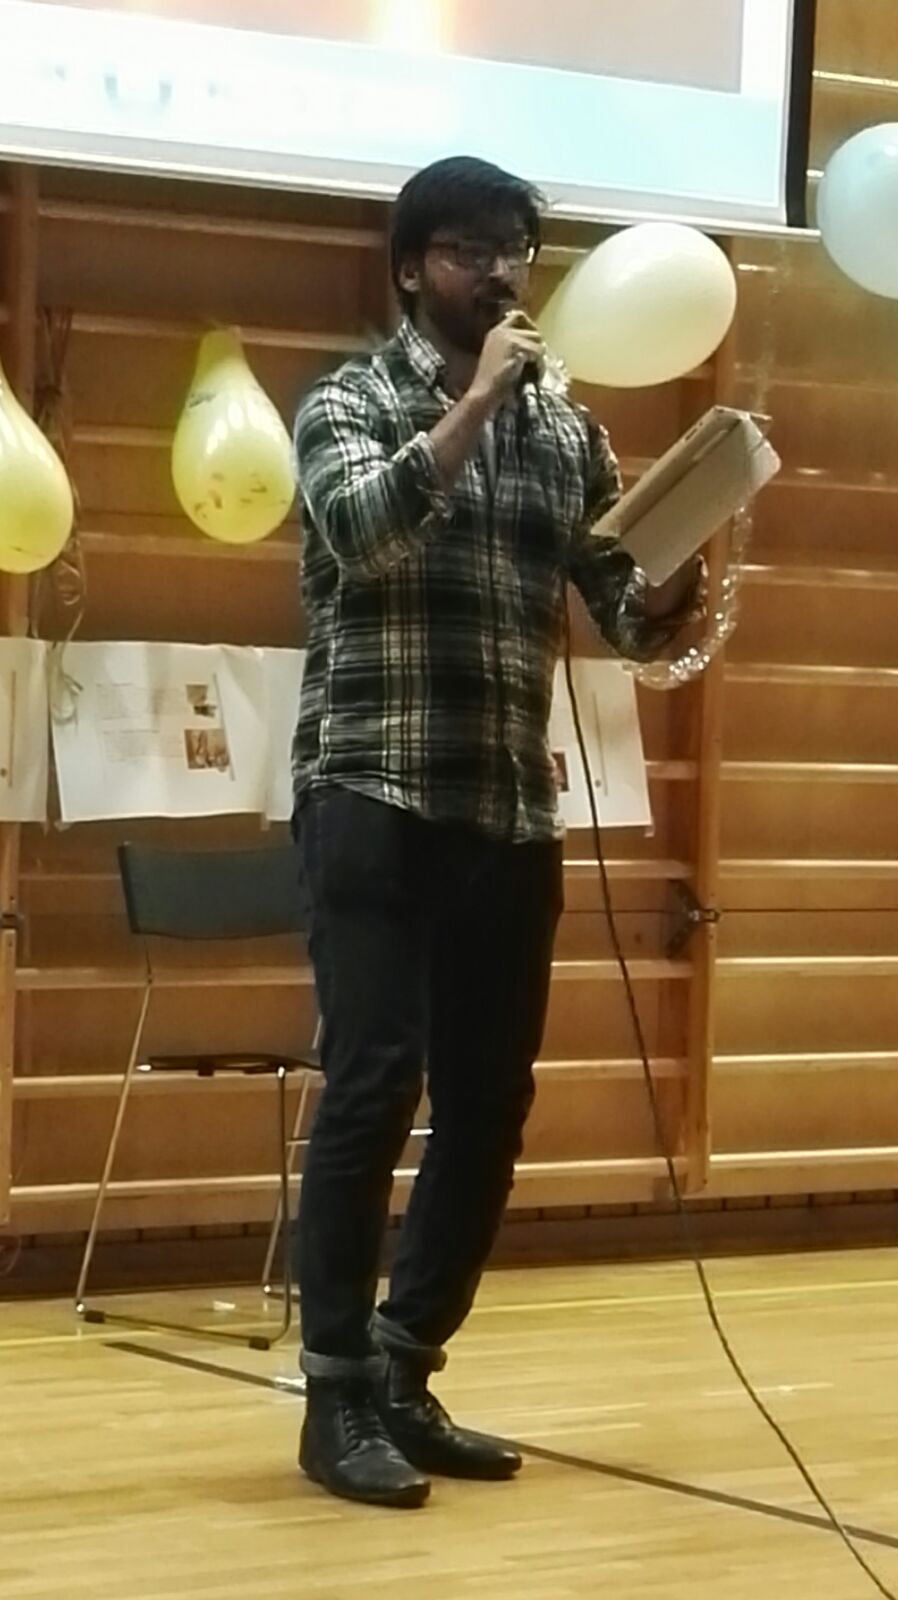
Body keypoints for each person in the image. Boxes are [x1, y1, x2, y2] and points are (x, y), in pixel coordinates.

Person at [290, 155, 702, 1510]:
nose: (504, 273)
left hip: (509, 809)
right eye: (473, 250)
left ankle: (406, 1369)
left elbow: (628, 619)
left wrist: (683, 552)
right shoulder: (349, 401)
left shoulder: (565, 431)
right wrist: (473, 407)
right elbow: (363, 532)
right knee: (372, 1085)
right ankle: (334, 1393)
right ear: (413, 268)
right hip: (372, 792)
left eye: (517, 250)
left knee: (487, 1102)